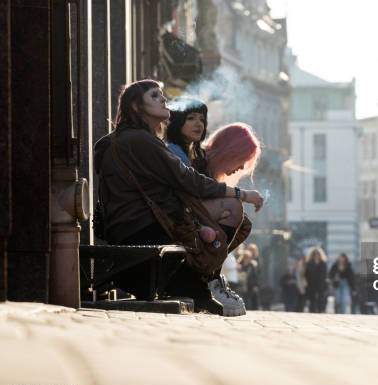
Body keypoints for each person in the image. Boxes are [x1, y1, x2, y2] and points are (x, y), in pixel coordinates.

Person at [93, 79, 264, 315]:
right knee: (233, 208)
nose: (163, 99)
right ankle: (194, 281)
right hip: (141, 228)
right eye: (154, 96)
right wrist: (241, 194)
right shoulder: (140, 140)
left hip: (128, 226)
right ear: (135, 107)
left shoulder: (126, 139)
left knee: (231, 216)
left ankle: (196, 280)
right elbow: (187, 180)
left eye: (162, 94)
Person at [166, 97, 260, 316]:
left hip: (189, 214)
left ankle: (207, 276)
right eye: (191, 118)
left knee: (243, 221)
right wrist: (241, 194)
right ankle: (205, 277)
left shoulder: (194, 153)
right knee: (235, 209)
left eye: (202, 119)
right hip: (179, 216)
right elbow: (193, 188)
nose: (199, 124)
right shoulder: (181, 153)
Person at [304, 247, 328, 313]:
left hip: (321, 283)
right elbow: (306, 274)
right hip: (311, 283)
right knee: (312, 299)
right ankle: (312, 311)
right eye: (314, 254)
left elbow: (325, 274)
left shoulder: (323, 263)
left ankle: (321, 311)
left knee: (321, 298)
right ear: (312, 255)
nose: (316, 255)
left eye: (318, 254)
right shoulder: (309, 263)